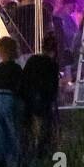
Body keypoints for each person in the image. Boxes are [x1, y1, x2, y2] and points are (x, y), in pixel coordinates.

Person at [22, 32, 60, 160]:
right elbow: (53, 86)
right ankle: (42, 152)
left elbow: (24, 78)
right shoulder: (53, 65)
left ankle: (29, 151)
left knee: (32, 128)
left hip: (30, 99)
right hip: (44, 101)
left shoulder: (33, 60)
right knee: (45, 128)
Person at [0, 36, 24, 167]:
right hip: (11, 99)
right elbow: (19, 86)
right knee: (13, 131)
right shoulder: (16, 69)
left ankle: (0, 158)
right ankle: (17, 160)